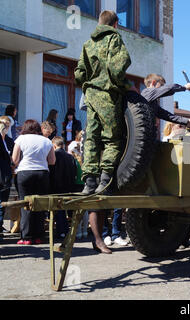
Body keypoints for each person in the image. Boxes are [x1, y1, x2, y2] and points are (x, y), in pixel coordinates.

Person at [75, 10, 137, 195]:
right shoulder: (113, 39)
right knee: (112, 139)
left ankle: (89, 183)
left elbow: (79, 73)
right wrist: (125, 85)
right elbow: (118, 67)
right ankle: (105, 181)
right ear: (115, 24)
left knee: (92, 138)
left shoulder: (88, 44)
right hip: (108, 94)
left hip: (90, 96)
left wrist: (89, 85)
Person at [12, 120, 56, 245]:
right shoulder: (47, 141)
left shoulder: (21, 139)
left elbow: (15, 160)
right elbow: (52, 161)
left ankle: (26, 237)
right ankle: (38, 236)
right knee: (40, 205)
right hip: (42, 174)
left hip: (24, 173)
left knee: (26, 204)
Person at [49, 136, 78, 238]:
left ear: (54, 145)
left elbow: (52, 171)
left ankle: (61, 231)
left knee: (59, 209)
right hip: (68, 186)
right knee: (64, 209)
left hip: (56, 185)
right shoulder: (70, 157)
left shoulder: (54, 155)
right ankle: (65, 230)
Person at [0, 116, 14, 239]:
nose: (6, 127)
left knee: (3, 202)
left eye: (8, 125)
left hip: (5, 175)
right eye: (4, 125)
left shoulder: (9, 141)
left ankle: (0, 225)